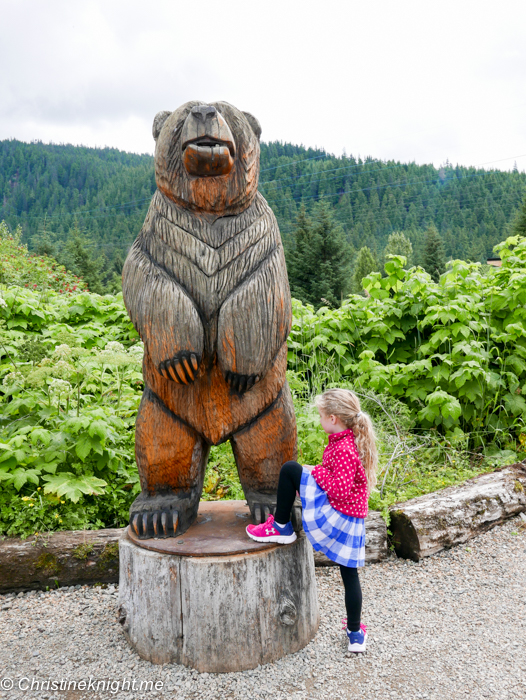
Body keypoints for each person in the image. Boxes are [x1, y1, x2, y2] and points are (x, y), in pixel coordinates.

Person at [246, 388, 378, 653]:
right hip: (351, 520)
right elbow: (338, 480)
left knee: (290, 470)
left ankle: (281, 526)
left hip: (337, 515)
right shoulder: (348, 440)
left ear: (333, 419)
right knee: (349, 575)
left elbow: (338, 489)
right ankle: (355, 634)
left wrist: (313, 474)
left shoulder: (344, 448)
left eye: (320, 415)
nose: (319, 420)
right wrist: (316, 472)